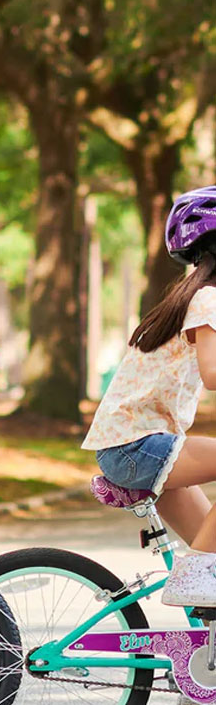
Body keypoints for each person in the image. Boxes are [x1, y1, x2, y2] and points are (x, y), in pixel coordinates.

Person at [82, 185, 216, 609]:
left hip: (140, 445)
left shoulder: (191, 298)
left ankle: (201, 669)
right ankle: (192, 580)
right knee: (201, 570)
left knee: (210, 561)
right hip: (137, 446)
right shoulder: (209, 299)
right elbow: (213, 374)